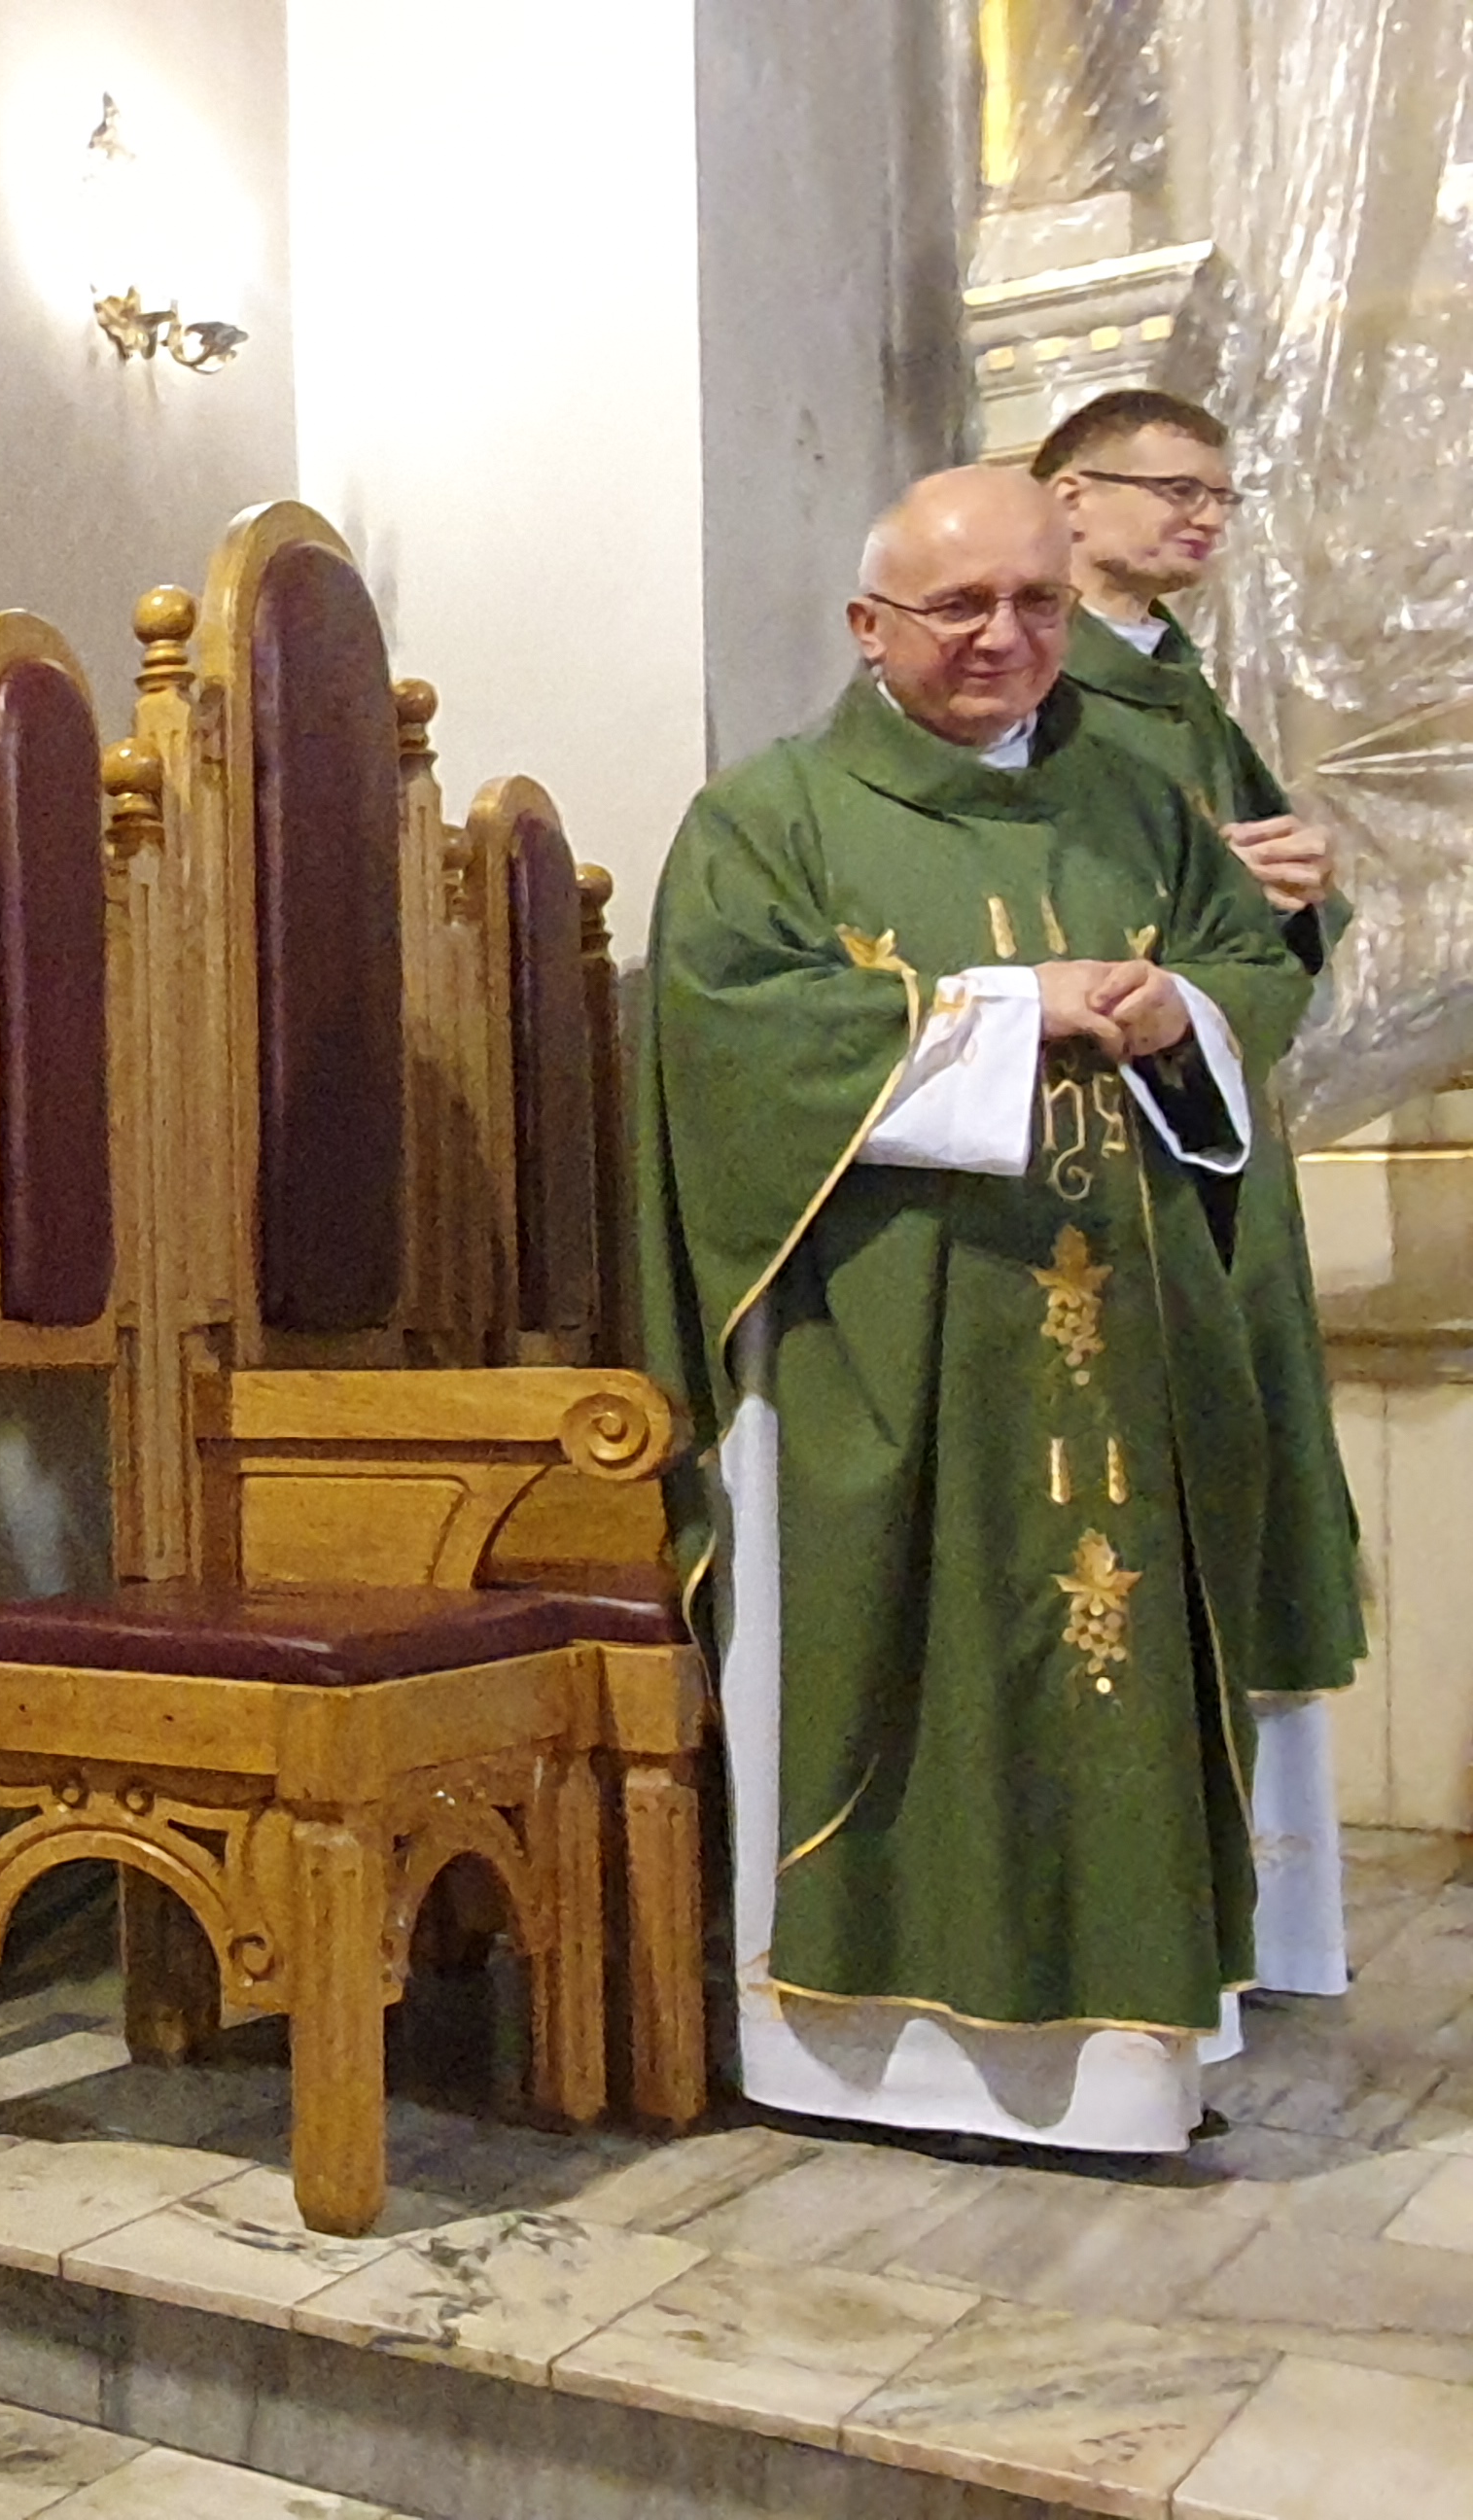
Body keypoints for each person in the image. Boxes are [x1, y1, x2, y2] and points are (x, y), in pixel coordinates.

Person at [637, 467, 1315, 2153]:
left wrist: (1179, 1013)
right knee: (889, 1673)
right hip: (885, 1342)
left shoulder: (1144, 801)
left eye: (1036, 602)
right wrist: (1014, 1011)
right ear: (868, 627)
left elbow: (1252, 968)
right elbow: (732, 1040)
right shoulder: (769, 817)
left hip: (1128, 1341)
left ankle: (1123, 2078)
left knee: (1121, 1674)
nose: (1005, 637)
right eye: (958, 607)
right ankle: (864, 2060)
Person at [1037, 386, 1366, 1998]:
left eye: (1221, 500)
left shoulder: (1178, 689)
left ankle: (1266, 1921)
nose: (1203, 522)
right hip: (1103, 1143)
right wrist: (1198, 906)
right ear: (1068, 496)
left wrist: (1290, 896)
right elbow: (1027, 897)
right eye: (1173, 490)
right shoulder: (1043, 688)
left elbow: (1247, 925)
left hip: (1212, 1116)